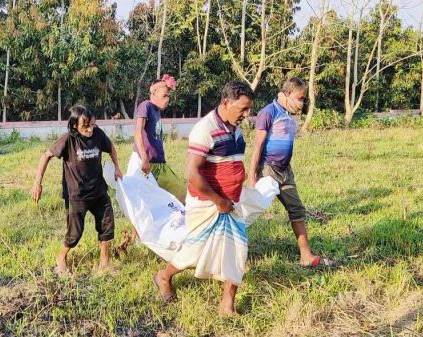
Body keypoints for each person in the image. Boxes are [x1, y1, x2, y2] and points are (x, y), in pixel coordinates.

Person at [153, 81, 254, 316]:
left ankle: (226, 306)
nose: (246, 115)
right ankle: (163, 276)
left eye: (248, 109)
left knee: (238, 251)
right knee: (194, 252)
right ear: (226, 103)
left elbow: (230, 164)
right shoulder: (205, 129)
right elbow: (192, 173)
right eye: (242, 109)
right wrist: (218, 201)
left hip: (231, 204)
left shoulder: (236, 130)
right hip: (207, 204)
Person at [247, 77, 334, 267]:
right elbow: (258, 146)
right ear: (287, 94)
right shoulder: (268, 112)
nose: (301, 104)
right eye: (300, 98)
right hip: (268, 170)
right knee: (249, 211)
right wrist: (252, 176)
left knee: (296, 210)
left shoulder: (288, 114)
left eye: (304, 99)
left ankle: (306, 256)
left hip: (285, 171)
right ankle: (233, 249)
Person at [31, 104, 123, 275]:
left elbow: (111, 148)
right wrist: (38, 183)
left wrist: (117, 167)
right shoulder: (68, 139)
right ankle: (61, 260)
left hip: (98, 191)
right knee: (75, 232)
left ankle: (104, 264)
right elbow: (46, 156)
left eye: (92, 124)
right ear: (75, 126)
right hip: (77, 195)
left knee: (107, 226)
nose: (90, 129)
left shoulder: (98, 134)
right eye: (85, 126)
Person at [127, 74, 177, 183]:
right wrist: (144, 158)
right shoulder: (146, 106)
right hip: (143, 162)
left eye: (168, 96)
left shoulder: (157, 111)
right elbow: (138, 132)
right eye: (164, 95)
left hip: (156, 163)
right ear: (153, 93)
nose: (167, 99)